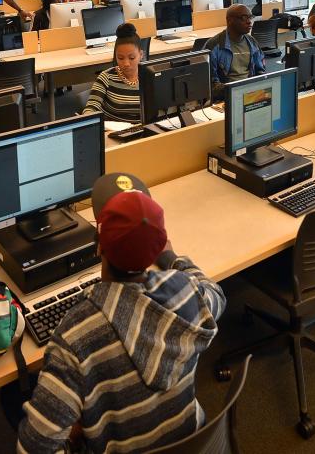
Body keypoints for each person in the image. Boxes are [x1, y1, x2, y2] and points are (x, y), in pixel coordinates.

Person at [17, 172, 225, 454]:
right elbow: (215, 293)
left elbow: (33, 450)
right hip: (193, 443)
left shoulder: (74, 339)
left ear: (98, 245)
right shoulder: (185, 293)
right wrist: (173, 258)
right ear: (156, 249)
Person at [82, 23, 144, 124]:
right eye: (120, 58)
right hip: (113, 134)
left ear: (141, 55)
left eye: (132, 58)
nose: (126, 63)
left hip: (145, 133)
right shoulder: (106, 77)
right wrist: (88, 117)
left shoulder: (151, 76)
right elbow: (92, 106)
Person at [204, 4, 265, 98]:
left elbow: (260, 71)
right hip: (226, 95)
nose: (249, 22)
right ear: (229, 21)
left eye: (250, 17)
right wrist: (237, 90)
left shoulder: (252, 42)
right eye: (244, 18)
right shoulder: (214, 45)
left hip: (250, 93)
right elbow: (211, 84)